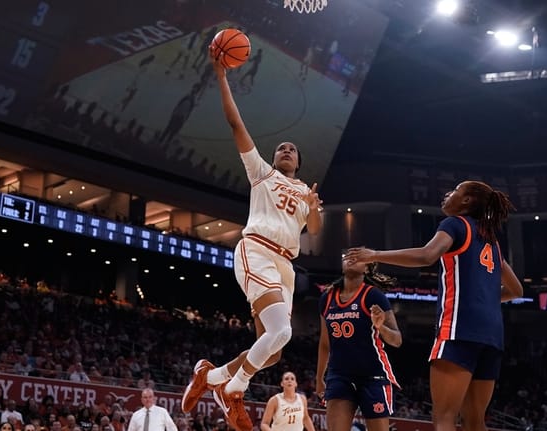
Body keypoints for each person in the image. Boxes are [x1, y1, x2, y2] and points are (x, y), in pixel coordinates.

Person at [180, 45, 323, 431]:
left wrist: (314, 207)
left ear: (299, 162)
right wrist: (222, 75)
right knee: (283, 331)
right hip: (257, 250)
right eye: (282, 147)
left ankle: (209, 377)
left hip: (286, 266)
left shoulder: (306, 194)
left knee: (273, 353)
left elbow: (315, 234)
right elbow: (236, 125)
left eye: (292, 149)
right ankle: (234, 389)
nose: (286, 150)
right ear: (275, 158)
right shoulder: (261, 172)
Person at [344, 180, 524, 431]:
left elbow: (427, 255)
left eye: (454, 192)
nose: (447, 195)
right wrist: (482, 297)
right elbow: (517, 290)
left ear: (466, 201)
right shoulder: (491, 240)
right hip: (492, 335)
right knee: (476, 422)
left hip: (459, 328)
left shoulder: (455, 224)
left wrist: (375, 255)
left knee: (444, 418)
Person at [315, 256, 402, 431]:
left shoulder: (373, 295)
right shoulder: (327, 298)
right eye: (347, 256)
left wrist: (381, 328)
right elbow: (325, 344)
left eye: (358, 257)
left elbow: (397, 340)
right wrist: (319, 378)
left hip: (373, 376)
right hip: (339, 376)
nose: (350, 259)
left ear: (367, 269)